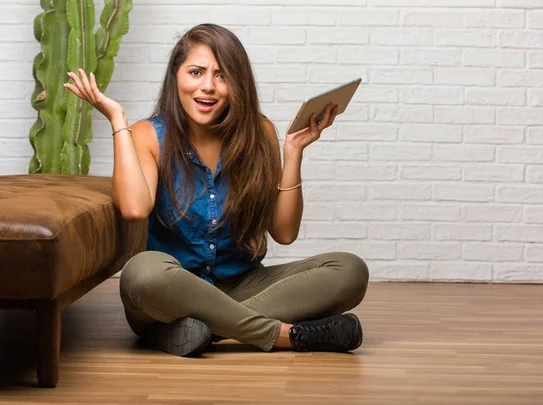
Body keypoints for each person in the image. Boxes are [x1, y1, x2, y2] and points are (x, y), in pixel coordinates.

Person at [64, 23, 369, 357]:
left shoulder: (259, 131)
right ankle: (288, 335)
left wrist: (293, 153)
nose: (207, 87)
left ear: (237, 83)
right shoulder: (148, 135)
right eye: (195, 72)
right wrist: (117, 119)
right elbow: (135, 209)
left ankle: (201, 332)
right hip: (170, 290)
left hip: (243, 286)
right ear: (176, 76)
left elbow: (283, 232)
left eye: (221, 76)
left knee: (350, 270)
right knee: (142, 273)